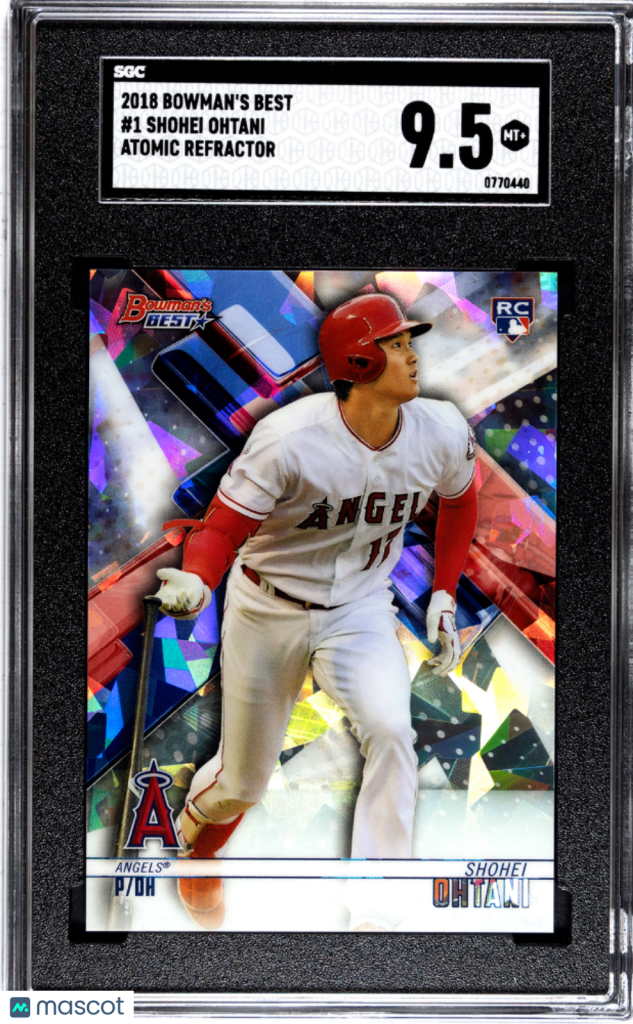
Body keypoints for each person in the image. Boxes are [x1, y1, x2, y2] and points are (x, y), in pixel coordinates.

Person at [156, 292, 478, 931]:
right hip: (268, 606)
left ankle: (376, 910)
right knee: (243, 783)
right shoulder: (289, 439)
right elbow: (221, 529)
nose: (412, 355)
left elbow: (461, 502)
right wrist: (197, 578)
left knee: (392, 733)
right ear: (359, 362)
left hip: (361, 608)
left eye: (407, 343)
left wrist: (443, 591)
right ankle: (198, 839)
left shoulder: (440, 428)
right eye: (395, 345)